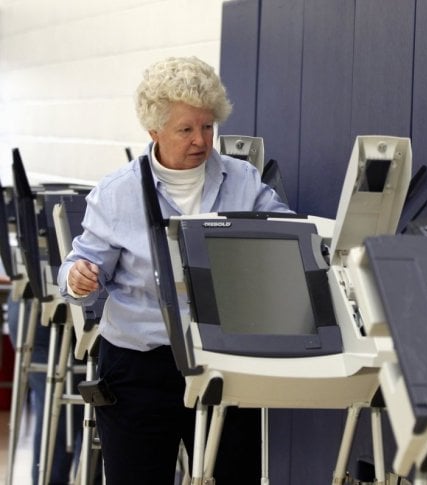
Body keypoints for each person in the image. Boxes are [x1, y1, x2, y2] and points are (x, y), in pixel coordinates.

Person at [57, 56, 291, 484]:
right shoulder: (117, 193)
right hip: (139, 367)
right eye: (186, 129)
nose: (201, 140)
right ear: (154, 131)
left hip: (228, 362)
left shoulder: (243, 181)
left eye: (208, 126)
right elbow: (78, 266)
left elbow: (286, 241)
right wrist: (78, 277)